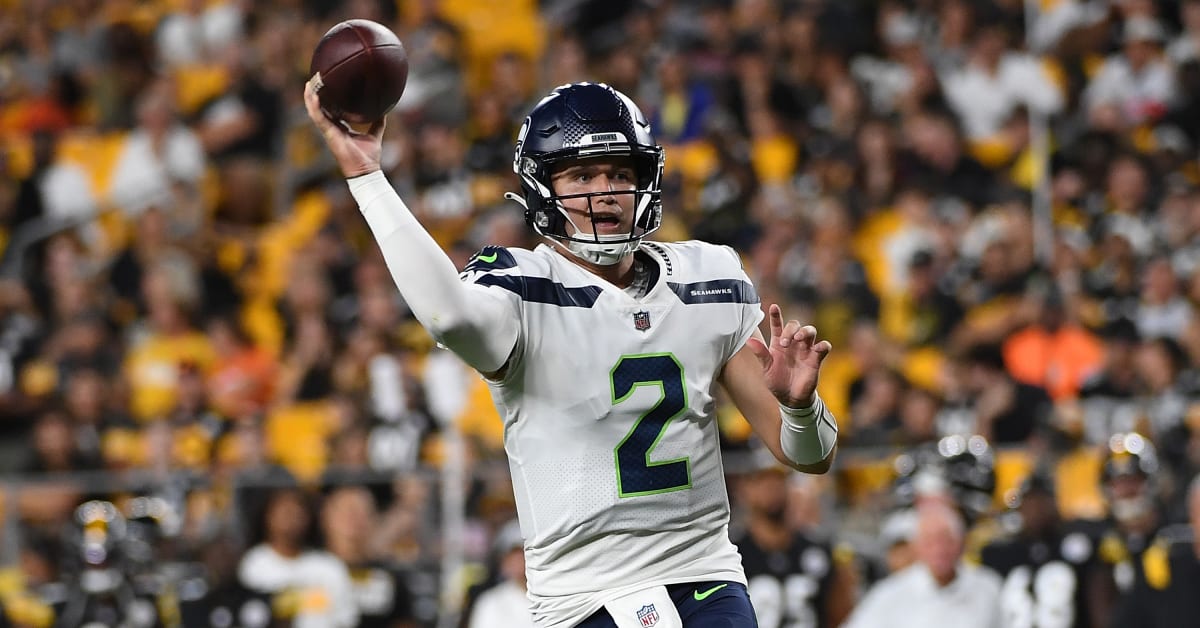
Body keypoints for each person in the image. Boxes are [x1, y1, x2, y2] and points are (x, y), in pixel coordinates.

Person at [303, 78, 840, 628]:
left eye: (620, 173)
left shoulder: (711, 276)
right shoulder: (521, 286)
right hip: (583, 597)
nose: (605, 191)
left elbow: (809, 455)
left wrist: (799, 406)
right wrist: (367, 176)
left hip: (702, 574)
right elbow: (448, 314)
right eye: (582, 174)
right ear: (543, 187)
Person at [841, 502, 1003, 628]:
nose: (939, 549)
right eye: (929, 542)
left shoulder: (988, 586)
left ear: (962, 543)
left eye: (947, 540)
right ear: (916, 548)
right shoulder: (889, 594)